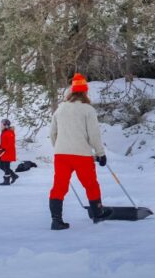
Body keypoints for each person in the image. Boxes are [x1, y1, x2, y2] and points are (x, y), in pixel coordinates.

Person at [48, 73, 110, 230]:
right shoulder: (87, 110)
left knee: (59, 187)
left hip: (61, 155)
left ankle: (56, 220)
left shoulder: (60, 109)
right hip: (81, 154)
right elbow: (94, 135)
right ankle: (97, 214)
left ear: (72, 91)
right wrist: (100, 153)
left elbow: (52, 133)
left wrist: (59, 147)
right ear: (84, 92)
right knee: (91, 184)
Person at [0, 119, 19, 186]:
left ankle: (7, 181)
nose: (1, 125)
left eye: (2, 124)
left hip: (8, 152)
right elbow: (3, 143)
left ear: (6, 125)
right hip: (3, 152)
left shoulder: (10, 132)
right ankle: (14, 175)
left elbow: (11, 143)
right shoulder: (4, 132)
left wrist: (4, 149)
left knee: (6, 167)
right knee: (1, 166)